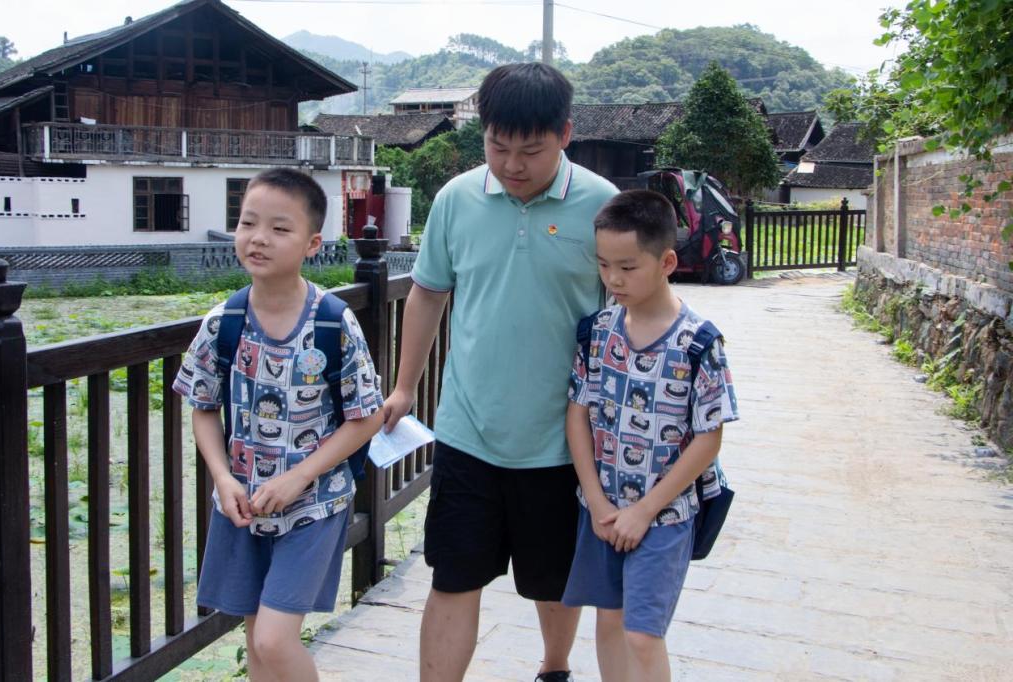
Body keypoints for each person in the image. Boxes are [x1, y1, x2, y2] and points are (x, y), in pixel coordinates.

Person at [381, 63, 618, 681]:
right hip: (469, 430)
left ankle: (554, 668)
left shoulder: (602, 205)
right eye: (497, 146)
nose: (512, 165)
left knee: (554, 579)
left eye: (531, 151)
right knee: (453, 575)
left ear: (564, 135)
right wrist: (404, 387)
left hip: (564, 438)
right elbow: (428, 293)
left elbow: (630, 308)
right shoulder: (456, 199)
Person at [172, 168, 383, 681]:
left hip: (313, 503)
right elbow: (203, 407)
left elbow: (367, 417)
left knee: (273, 638)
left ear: (313, 244)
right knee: (257, 642)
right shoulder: (223, 322)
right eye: (248, 223)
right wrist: (222, 478)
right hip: (244, 504)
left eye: (279, 228)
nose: (259, 238)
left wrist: (299, 476)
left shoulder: (332, 321)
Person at [561, 190, 739, 682]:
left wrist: (643, 511)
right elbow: (577, 416)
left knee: (642, 634)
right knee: (609, 621)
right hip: (602, 509)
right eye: (603, 265)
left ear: (666, 262)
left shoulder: (699, 342)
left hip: (664, 515)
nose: (613, 279)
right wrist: (597, 502)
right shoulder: (597, 332)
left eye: (627, 267)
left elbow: (708, 439)